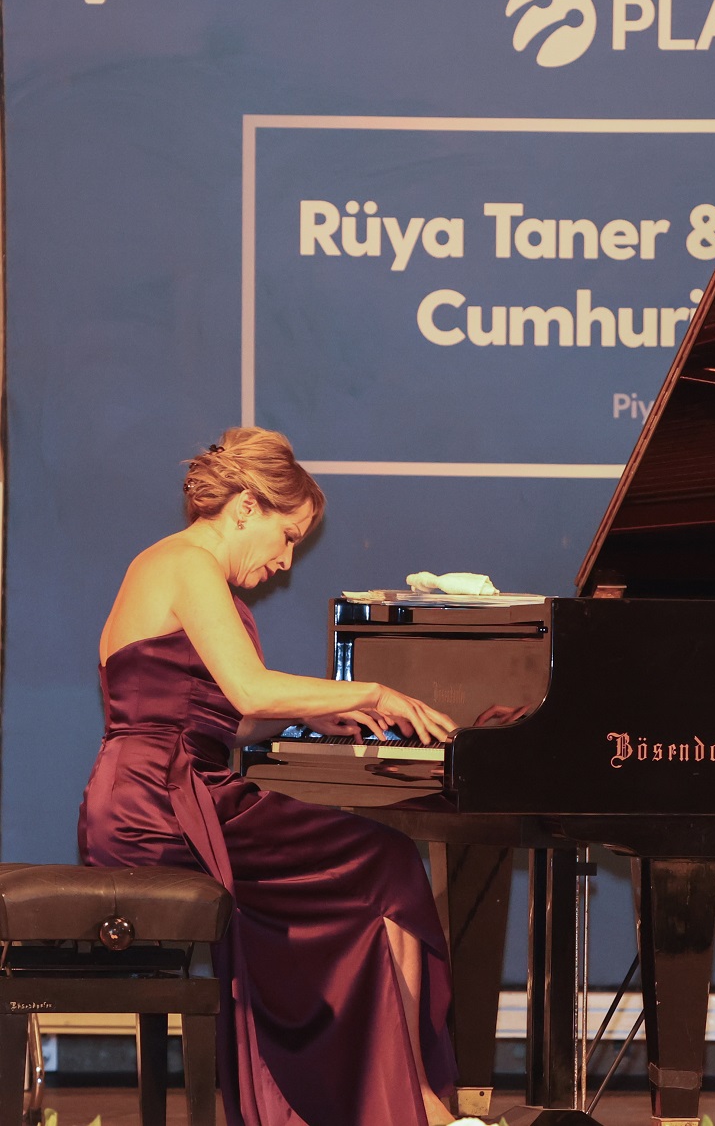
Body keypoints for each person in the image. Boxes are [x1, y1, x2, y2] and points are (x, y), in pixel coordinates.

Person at [78, 427, 486, 1126]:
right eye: (288, 536)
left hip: (155, 793)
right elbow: (250, 691)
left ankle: (386, 1096)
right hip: (162, 804)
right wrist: (370, 693)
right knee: (385, 861)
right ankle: (409, 1104)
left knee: (370, 868)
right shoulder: (188, 564)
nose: (287, 560)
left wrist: (311, 717)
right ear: (246, 507)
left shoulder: (178, 567)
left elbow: (224, 721)